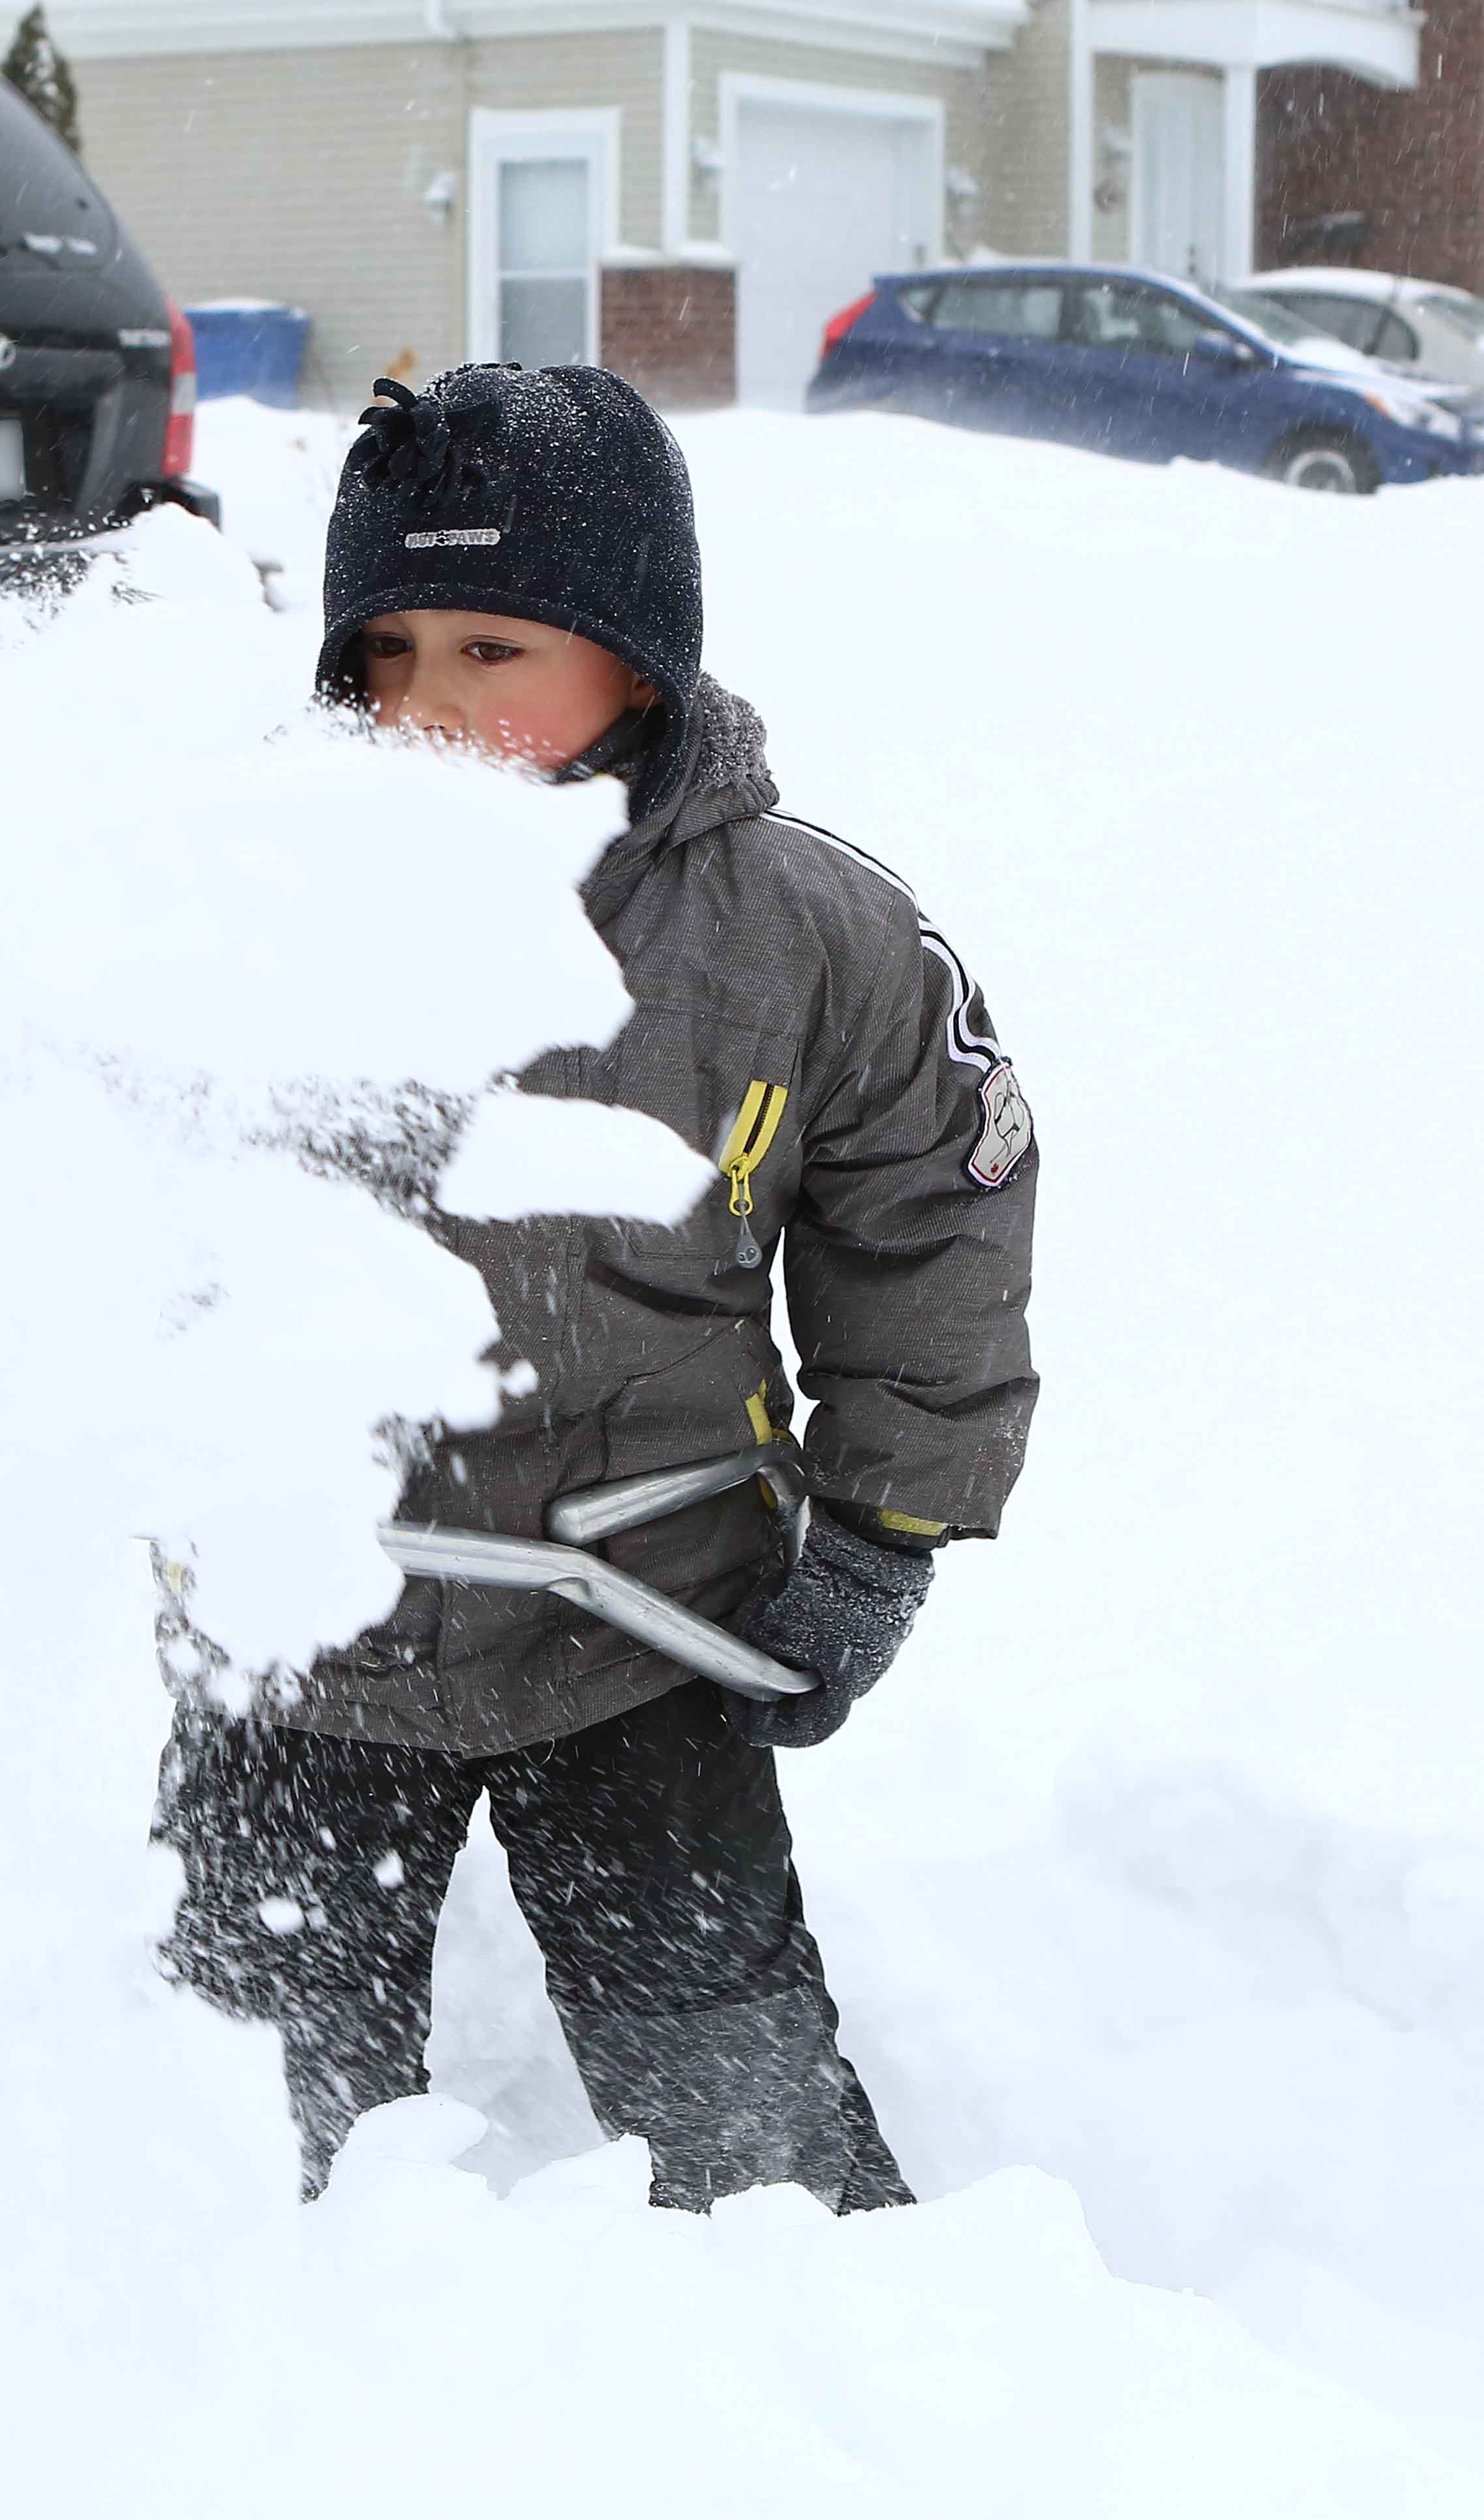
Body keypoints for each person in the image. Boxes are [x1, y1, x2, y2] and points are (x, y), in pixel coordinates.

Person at [156, 364, 1040, 2213]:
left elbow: (932, 1217)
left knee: (734, 2098)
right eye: (384, 655)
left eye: (495, 648)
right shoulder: (236, 891)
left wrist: (882, 1533)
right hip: (305, 1618)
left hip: (641, 1613)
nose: (430, 709)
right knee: (237, 2111)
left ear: (640, 659)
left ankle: (861, 2371)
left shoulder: (802, 930)